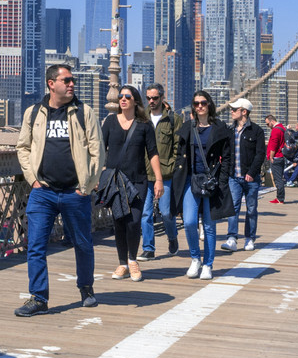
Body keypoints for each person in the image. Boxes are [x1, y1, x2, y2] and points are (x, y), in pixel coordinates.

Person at [14, 64, 103, 316]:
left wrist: (86, 185)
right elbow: (23, 147)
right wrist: (32, 179)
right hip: (43, 191)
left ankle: (86, 288)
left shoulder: (84, 112)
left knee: (83, 243)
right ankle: (38, 298)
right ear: (51, 84)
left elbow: (98, 151)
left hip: (75, 191)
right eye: (66, 80)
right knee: (36, 245)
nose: (72, 84)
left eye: (72, 80)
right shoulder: (34, 113)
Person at [100, 85, 162, 281]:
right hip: (115, 180)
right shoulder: (110, 122)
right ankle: (122, 264)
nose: (123, 99)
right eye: (120, 96)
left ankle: (133, 260)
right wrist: (97, 176)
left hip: (137, 180)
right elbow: (101, 150)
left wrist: (158, 179)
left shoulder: (144, 125)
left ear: (135, 100)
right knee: (119, 221)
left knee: (134, 221)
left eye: (127, 96)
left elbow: (152, 153)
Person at [172, 91, 234, 280]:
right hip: (191, 180)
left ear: (209, 105)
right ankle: (195, 259)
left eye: (203, 103)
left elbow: (227, 158)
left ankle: (208, 264)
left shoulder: (220, 128)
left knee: (209, 225)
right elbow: (179, 155)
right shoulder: (187, 128)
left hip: (211, 182)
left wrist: (222, 181)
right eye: (196, 103)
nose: (200, 106)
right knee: (189, 222)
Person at [139, 83, 181, 260]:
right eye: (148, 98)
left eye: (155, 98)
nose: (151, 101)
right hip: (144, 173)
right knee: (146, 213)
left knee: (165, 213)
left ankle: (172, 237)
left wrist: (170, 166)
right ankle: (149, 248)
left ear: (162, 97)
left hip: (165, 174)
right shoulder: (141, 118)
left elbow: (178, 147)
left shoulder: (173, 119)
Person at [222, 98, 265, 252]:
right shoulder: (229, 130)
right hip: (234, 177)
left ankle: (249, 238)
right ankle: (232, 238)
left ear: (244, 112)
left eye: (234, 109)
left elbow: (260, 154)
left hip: (251, 178)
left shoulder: (257, 131)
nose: (231, 112)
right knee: (233, 207)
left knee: (251, 208)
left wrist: (252, 173)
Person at [265, 114, 288, 204]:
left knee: (277, 179)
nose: (268, 126)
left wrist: (271, 156)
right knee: (280, 178)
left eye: (267, 124)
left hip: (276, 157)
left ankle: (280, 198)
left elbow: (274, 145)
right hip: (282, 156)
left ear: (272, 121)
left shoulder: (275, 130)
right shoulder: (282, 128)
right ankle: (280, 197)